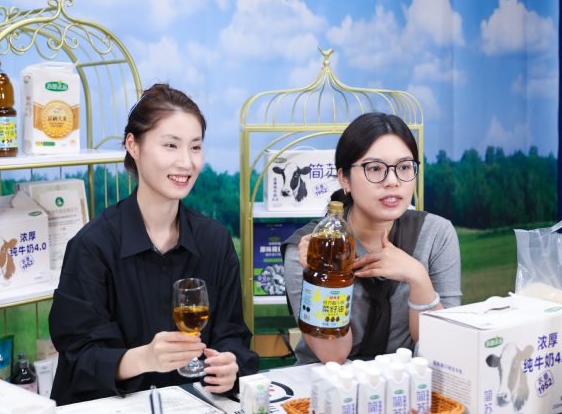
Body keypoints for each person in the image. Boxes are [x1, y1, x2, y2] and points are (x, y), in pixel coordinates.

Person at [49, 83, 259, 405]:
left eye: (195, 147)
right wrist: (144, 358)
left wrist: (231, 365)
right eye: (171, 145)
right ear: (133, 145)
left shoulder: (215, 241)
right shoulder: (92, 246)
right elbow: (79, 357)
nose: (186, 163)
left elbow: (232, 333)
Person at [282, 112, 462, 364]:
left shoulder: (436, 234)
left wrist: (418, 277)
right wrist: (325, 273)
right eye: (375, 168)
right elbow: (333, 355)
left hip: (407, 381)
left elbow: (443, 347)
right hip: (326, 381)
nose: (393, 181)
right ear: (344, 178)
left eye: (404, 167)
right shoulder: (310, 247)